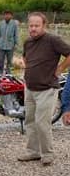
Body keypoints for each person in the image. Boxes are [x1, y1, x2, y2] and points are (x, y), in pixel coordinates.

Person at [17, 12, 70, 166]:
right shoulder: (28, 42)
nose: (33, 29)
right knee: (30, 120)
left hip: (47, 89)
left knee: (42, 122)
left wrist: (60, 68)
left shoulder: (53, 40)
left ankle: (47, 154)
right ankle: (33, 151)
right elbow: (26, 58)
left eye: (36, 26)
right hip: (30, 88)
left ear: (43, 25)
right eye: (31, 25)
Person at [0, 10, 18, 75]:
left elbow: (16, 34)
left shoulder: (14, 24)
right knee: (0, 60)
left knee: (9, 61)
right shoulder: (0, 24)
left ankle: (8, 74)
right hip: (1, 45)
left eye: (8, 14)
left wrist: (16, 44)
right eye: (5, 14)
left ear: (11, 16)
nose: (7, 16)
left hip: (10, 45)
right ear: (3, 16)